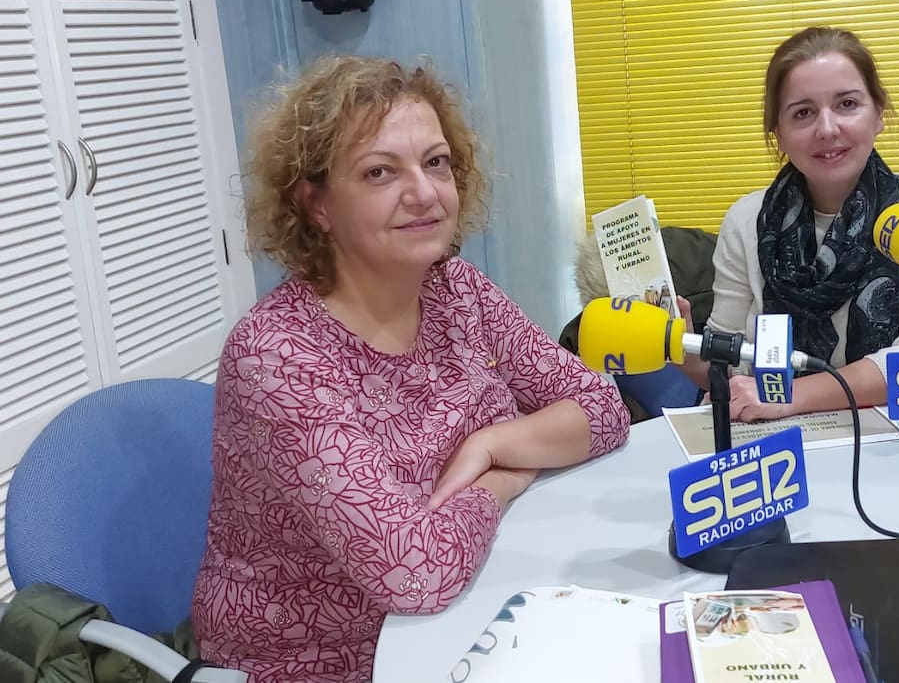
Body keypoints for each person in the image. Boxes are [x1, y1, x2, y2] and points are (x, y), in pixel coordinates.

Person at [192, 56, 630, 683]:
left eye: (436, 162)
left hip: (468, 608)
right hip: (328, 662)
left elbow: (601, 408)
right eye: (379, 172)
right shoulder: (276, 355)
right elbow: (414, 571)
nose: (424, 193)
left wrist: (492, 443)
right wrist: (503, 480)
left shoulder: (457, 289)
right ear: (315, 205)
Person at [681, 26, 899, 421]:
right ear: (778, 134)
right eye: (803, 112)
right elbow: (730, 368)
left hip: (896, 438)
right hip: (779, 442)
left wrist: (790, 396)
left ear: (878, 114)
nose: (828, 129)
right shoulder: (747, 220)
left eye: (847, 104)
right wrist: (679, 344)